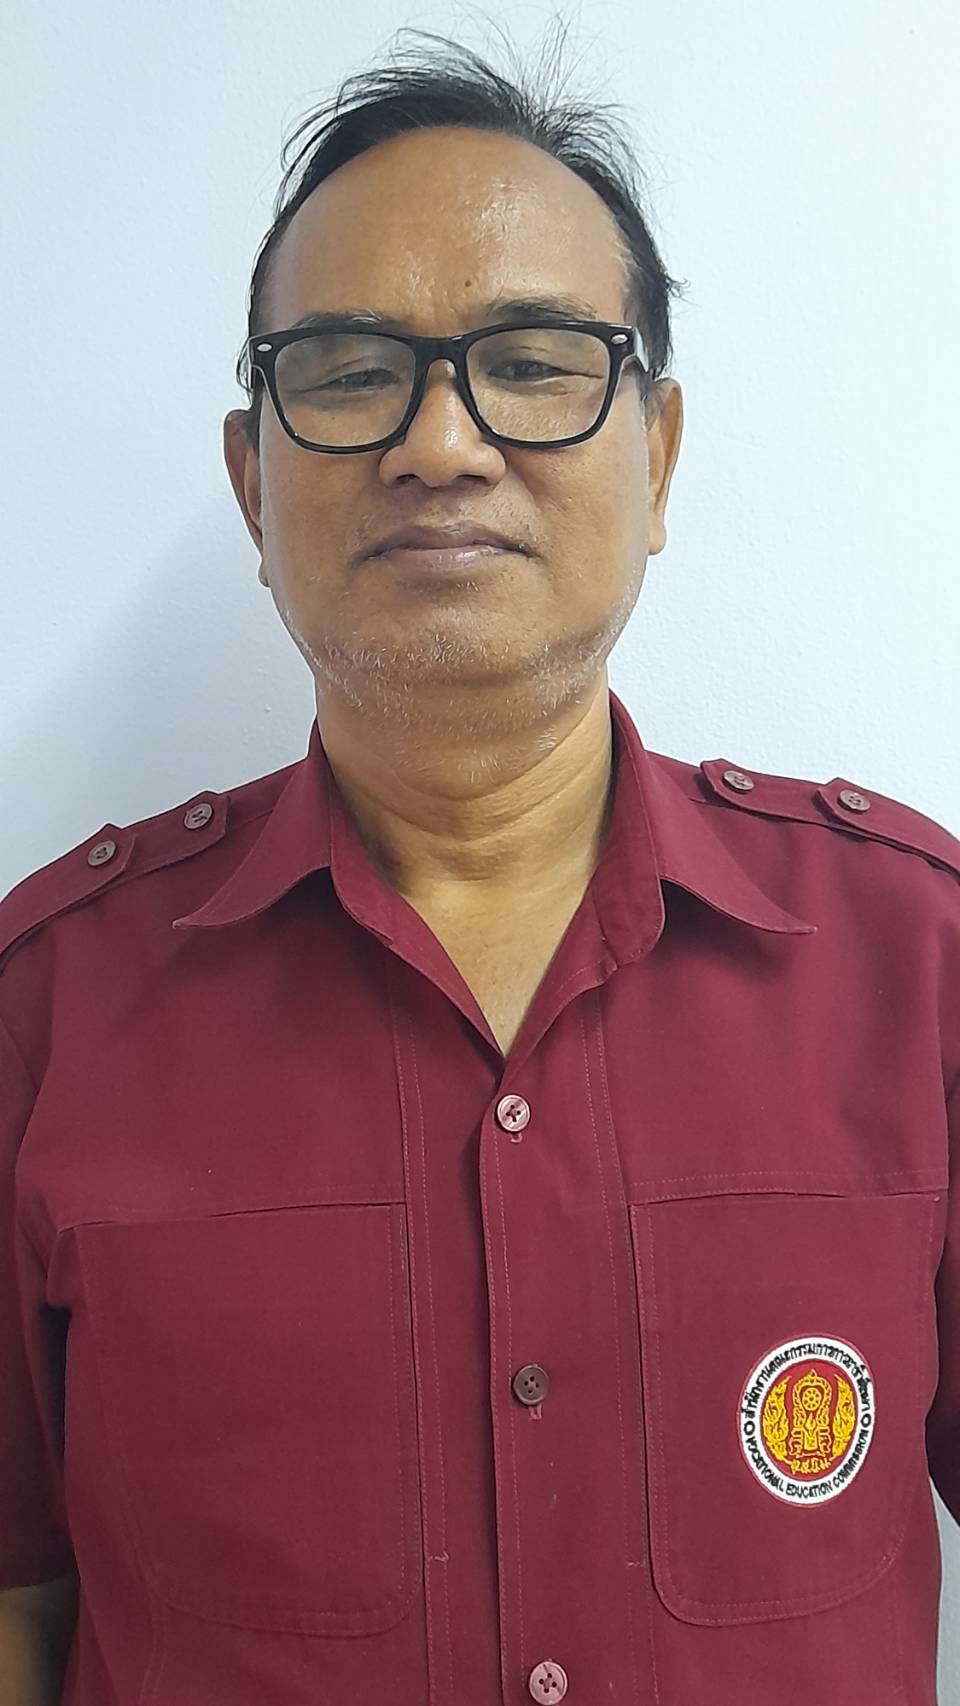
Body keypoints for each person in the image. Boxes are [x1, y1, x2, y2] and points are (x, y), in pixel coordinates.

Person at [1, 25, 957, 1706]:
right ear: (250, 481)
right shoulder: (46, 1006)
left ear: (657, 456)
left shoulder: (917, 961)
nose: (441, 444)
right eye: (348, 370)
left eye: (531, 361)